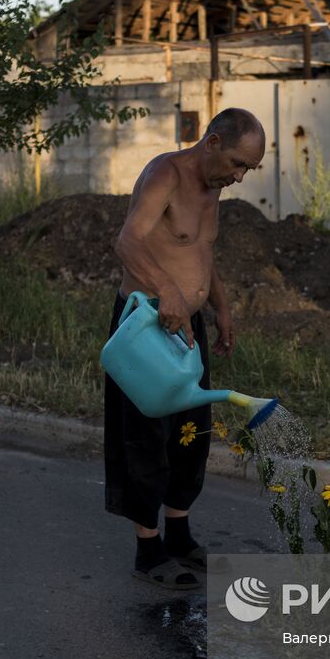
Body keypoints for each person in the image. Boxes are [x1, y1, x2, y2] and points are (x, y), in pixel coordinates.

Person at [104, 107, 267, 590]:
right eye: (237, 164)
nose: (239, 177)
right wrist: (167, 290)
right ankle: (148, 549)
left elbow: (202, 250)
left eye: (247, 171)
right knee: (146, 437)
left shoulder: (213, 189)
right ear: (212, 142)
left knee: (191, 434)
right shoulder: (164, 174)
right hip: (147, 326)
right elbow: (127, 241)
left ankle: (179, 535)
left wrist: (221, 306)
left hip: (188, 325)